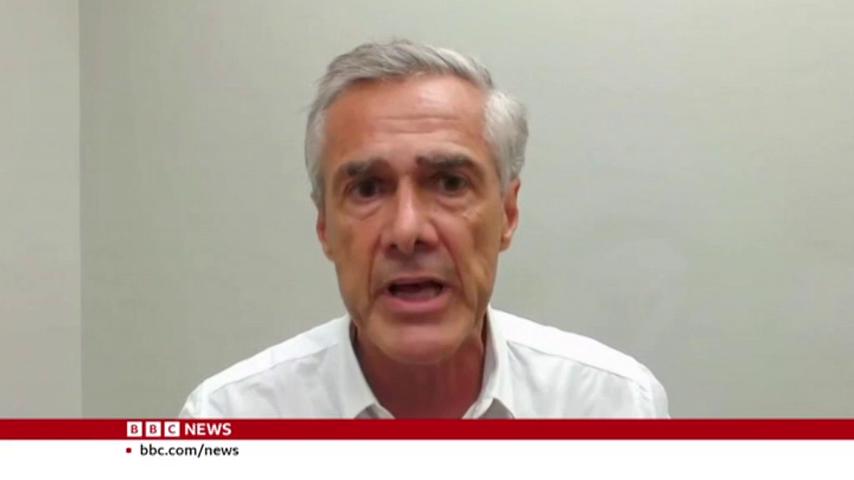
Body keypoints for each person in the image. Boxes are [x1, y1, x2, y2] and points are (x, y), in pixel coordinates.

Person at [180, 40, 669, 418]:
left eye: (450, 183)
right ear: (324, 226)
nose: (407, 231)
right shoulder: (230, 417)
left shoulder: (614, 405)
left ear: (508, 214)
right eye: (368, 189)